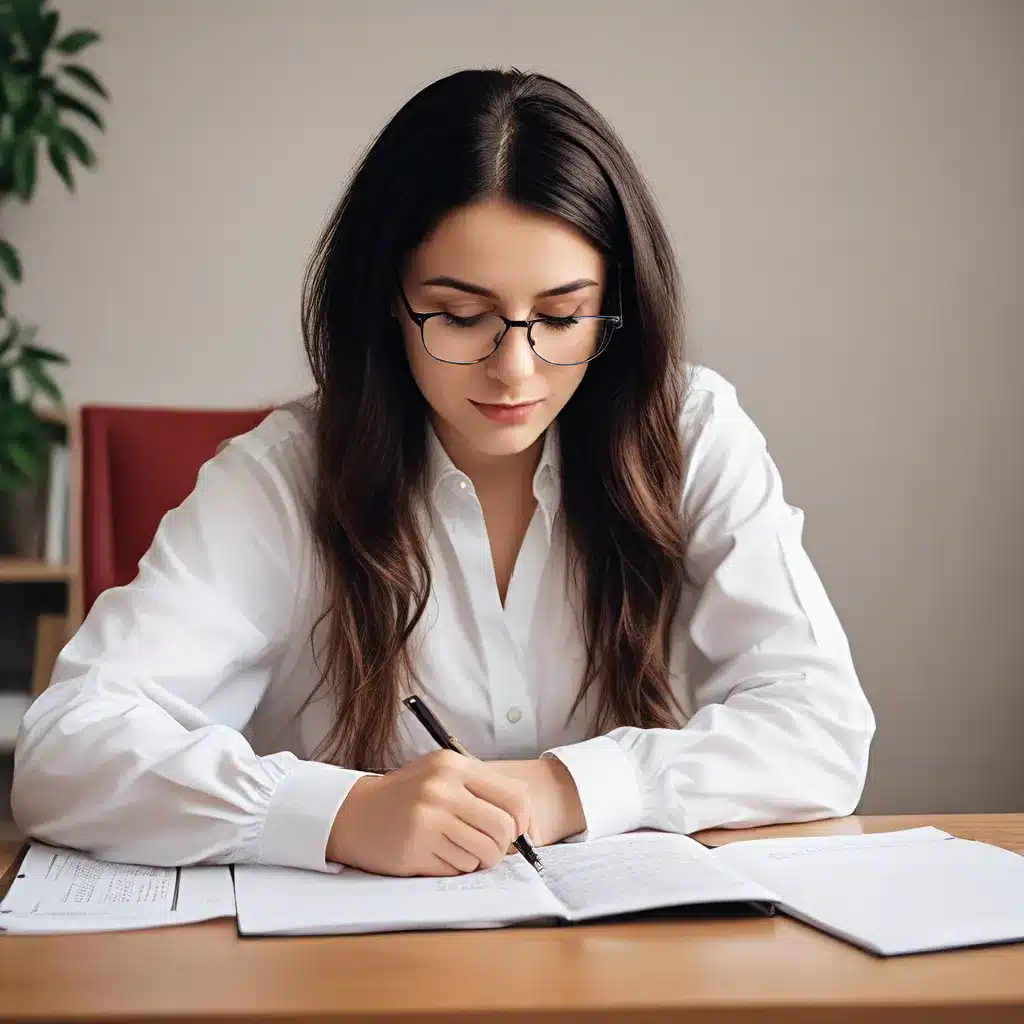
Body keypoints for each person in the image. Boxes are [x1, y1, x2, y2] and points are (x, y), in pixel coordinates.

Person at [11, 69, 875, 878]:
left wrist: (565, 788)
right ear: (391, 301)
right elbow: (63, 749)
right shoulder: (282, 477)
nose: (518, 370)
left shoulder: (688, 432)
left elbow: (820, 727)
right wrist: (338, 811)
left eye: (564, 316)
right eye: (462, 316)